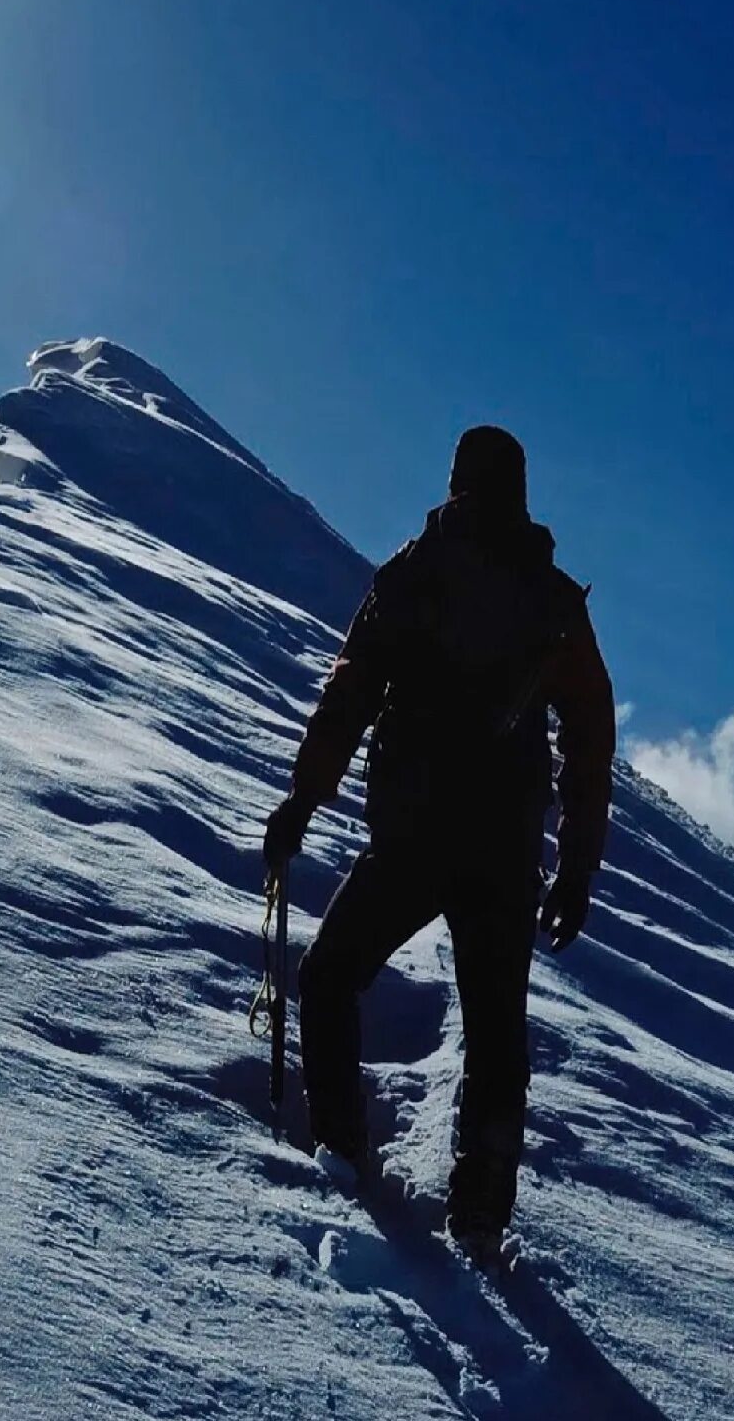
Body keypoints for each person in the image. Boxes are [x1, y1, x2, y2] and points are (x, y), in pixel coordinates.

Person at [262, 424, 616, 1252]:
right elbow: (590, 736)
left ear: (457, 479)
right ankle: (482, 1212)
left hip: (414, 835)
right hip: (505, 851)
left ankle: (342, 1151)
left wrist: (300, 805)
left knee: (329, 976)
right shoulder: (554, 602)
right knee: (498, 1028)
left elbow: (348, 699)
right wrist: (576, 868)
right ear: (523, 491)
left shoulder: (415, 573)